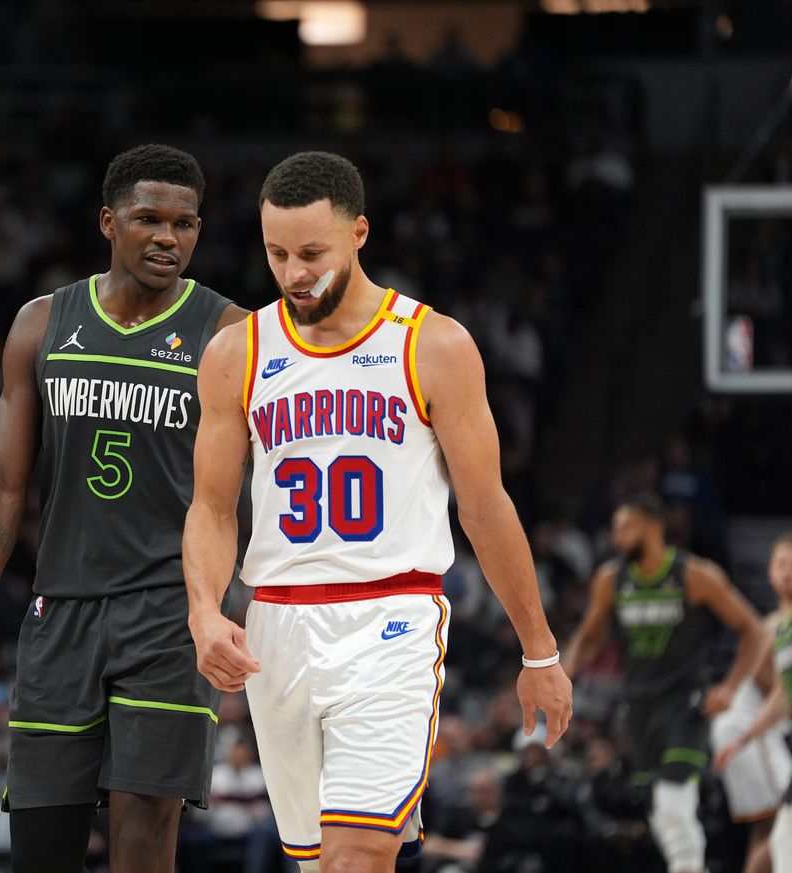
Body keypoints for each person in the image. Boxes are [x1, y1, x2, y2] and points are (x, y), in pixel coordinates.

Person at [182, 150, 571, 872]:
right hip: (276, 626)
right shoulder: (237, 352)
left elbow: (485, 506)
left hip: (392, 618)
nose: (295, 271)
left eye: (311, 252)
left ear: (359, 233)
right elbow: (210, 507)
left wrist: (539, 648)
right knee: (319, 861)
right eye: (277, 253)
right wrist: (205, 609)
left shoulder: (433, 344)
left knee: (357, 854)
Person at [0, 144, 246, 873]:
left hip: (172, 611)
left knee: (143, 832)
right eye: (149, 219)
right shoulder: (42, 324)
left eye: (186, 223)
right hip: (60, 611)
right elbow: (1, 487)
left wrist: (232, 604)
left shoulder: (231, 333)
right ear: (109, 222)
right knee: (41, 844)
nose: (169, 236)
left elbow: (251, 490)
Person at [564, 494, 768, 873]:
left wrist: (730, 687)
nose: (617, 537)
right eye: (615, 529)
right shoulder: (611, 579)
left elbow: (752, 629)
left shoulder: (694, 574)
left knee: (675, 799)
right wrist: (563, 674)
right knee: (658, 806)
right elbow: (590, 636)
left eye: (626, 528)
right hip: (639, 706)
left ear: (653, 527)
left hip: (685, 702)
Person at [714, 533, 792, 872]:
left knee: (780, 834)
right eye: (781, 564)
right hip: (758, 732)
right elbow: (782, 692)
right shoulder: (780, 625)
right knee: (781, 835)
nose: (787, 572)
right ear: (769, 572)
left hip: (779, 736)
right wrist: (746, 736)